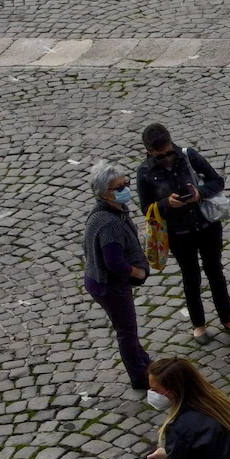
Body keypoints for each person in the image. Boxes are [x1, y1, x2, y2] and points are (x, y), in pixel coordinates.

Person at [135, 123, 230, 342]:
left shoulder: (188, 156)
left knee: (215, 272)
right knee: (190, 277)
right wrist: (167, 204)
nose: (166, 158)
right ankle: (199, 325)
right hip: (178, 233)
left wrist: (200, 194)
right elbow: (146, 208)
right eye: (160, 156)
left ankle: (227, 318)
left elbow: (217, 181)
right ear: (149, 151)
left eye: (168, 152)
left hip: (207, 225)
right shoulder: (145, 172)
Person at [82, 161, 152, 398]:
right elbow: (114, 263)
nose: (125, 189)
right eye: (118, 187)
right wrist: (138, 272)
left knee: (127, 327)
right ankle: (139, 375)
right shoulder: (108, 223)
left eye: (125, 184)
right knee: (126, 330)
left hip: (101, 280)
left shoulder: (111, 211)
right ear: (103, 193)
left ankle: (141, 359)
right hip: (108, 285)